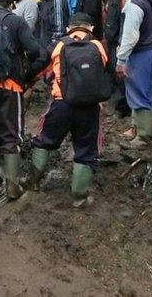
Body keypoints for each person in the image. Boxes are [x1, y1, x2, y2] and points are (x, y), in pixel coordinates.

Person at [26, 12, 106, 207]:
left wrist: (25, 79)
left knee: (43, 140)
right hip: (89, 107)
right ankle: (79, 197)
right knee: (86, 149)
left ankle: (33, 182)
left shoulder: (59, 45)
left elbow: (40, 66)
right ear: (91, 28)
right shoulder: (98, 46)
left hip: (61, 103)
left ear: (68, 29)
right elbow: (104, 70)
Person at [0, 0, 42, 200]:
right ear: (11, 5)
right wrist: (27, 73)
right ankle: (12, 186)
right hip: (10, 85)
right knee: (11, 133)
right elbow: (34, 50)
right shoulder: (16, 22)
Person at [114, 0, 152, 149]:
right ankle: (144, 126)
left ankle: (142, 136)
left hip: (140, 52)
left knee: (139, 92)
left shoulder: (134, 3)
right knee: (146, 90)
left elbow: (130, 35)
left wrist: (121, 59)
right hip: (151, 50)